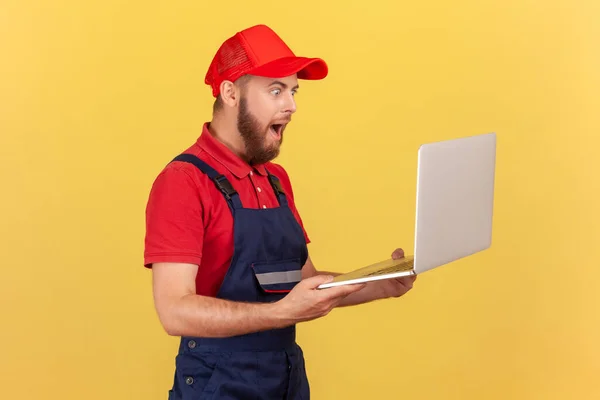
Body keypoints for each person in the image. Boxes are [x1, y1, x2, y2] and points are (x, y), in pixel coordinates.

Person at [144, 24, 417, 400]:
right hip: (216, 383)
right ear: (230, 93)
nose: (291, 106)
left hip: (285, 378)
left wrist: (380, 284)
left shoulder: (275, 179)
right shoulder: (183, 181)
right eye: (275, 91)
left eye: (293, 91)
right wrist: (281, 313)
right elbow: (174, 312)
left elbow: (303, 281)